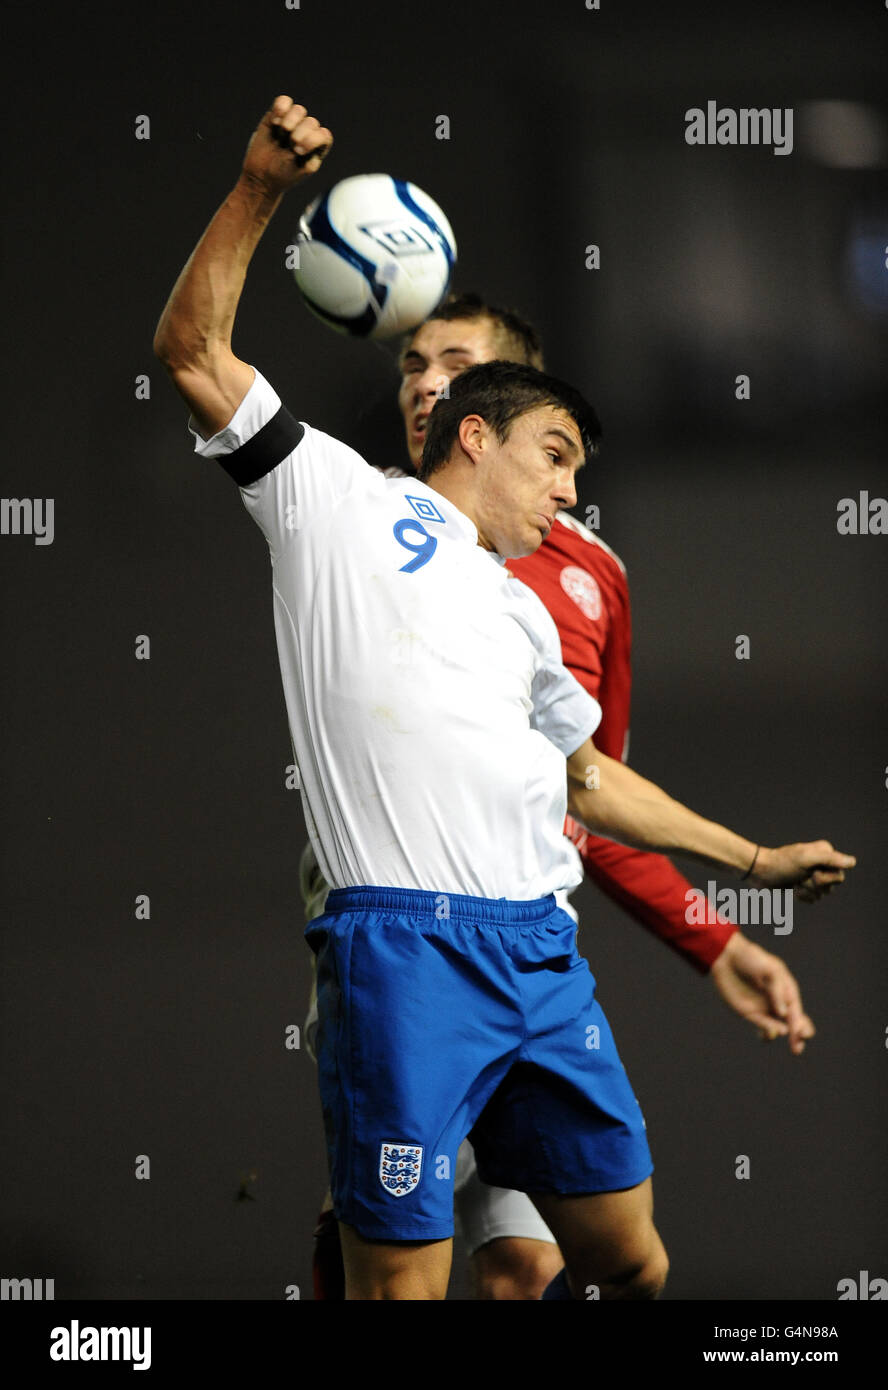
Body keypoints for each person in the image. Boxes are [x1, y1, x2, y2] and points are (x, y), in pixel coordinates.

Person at [153, 94, 854, 1300]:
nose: (572, 491)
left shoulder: (533, 605)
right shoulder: (335, 503)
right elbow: (192, 353)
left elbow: (584, 775)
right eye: (558, 456)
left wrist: (745, 860)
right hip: (404, 948)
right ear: (475, 435)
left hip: (539, 950)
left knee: (629, 1260)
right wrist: (260, 187)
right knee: (414, 1285)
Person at [307, 292, 822, 1301]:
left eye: (451, 362)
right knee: (383, 1256)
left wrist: (717, 935)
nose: (422, 382)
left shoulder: (586, 579)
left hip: (525, 953)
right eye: (409, 364)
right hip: (395, 948)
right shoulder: (358, 523)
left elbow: (587, 796)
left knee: (537, 1266)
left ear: (500, 398)